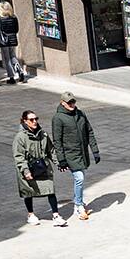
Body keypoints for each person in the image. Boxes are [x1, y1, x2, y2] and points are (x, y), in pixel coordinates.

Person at [51, 92, 100, 221]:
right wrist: (61, 159)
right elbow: (57, 140)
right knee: (79, 178)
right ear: (63, 103)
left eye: (73, 102)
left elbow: (89, 132)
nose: (72, 104)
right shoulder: (58, 118)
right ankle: (78, 206)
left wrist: (95, 151)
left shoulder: (80, 114)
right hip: (70, 154)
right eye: (69, 102)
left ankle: (78, 202)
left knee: (80, 179)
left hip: (82, 153)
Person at [14, 109, 65, 226]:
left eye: (36, 119)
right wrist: (25, 171)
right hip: (28, 167)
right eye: (31, 119)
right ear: (25, 121)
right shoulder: (20, 137)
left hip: (43, 166)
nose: (35, 121)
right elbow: (19, 156)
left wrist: (58, 163)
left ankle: (56, 215)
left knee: (50, 190)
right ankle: (30, 214)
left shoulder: (43, 134)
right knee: (28, 191)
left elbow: (51, 150)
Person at [0, 0, 24, 84]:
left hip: (4, 41)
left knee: (7, 59)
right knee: (13, 56)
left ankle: (11, 77)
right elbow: (16, 29)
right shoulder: (14, 18)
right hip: (12, 39)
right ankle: (20, 71)